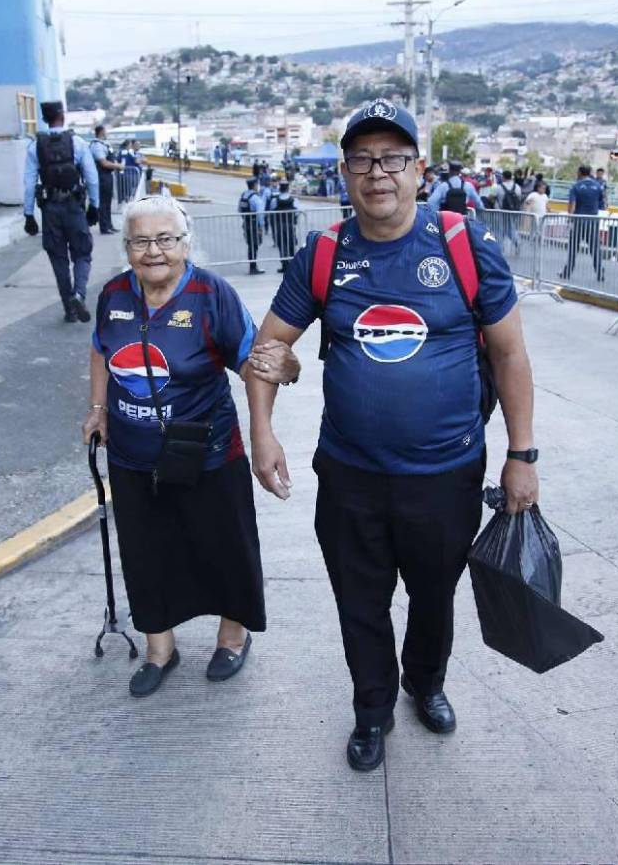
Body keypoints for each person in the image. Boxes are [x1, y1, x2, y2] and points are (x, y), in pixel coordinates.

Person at [246, 100, 539, 773]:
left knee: (434, 598)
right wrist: (262, 430)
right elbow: (268, 349)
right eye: (362, 159)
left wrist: (522, 456)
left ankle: (425, 684)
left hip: (447, 475)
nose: (378, 173)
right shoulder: (323, 254)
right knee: (361, 604)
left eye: (393, 158)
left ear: (419, 171)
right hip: (350, 476)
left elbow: (509, 356)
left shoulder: (464, 245)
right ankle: (371, 709)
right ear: (345, 173)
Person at [83, 195, 301, 697]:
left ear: (185, 243)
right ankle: (160, 647)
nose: (153, 250)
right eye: (140, 241)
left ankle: (232, 636)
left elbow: (251, 361)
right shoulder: (114, 294)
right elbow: (99, 349)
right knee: (145, 552)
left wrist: (269, 405)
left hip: (207, 450)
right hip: (132, 455)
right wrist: (97, 409)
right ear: (127, 248)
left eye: (166, 239)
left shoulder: (210, 294)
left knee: (224, 547)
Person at [23, 101, 100, 324]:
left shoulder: (34, 147)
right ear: (62, 116)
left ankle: (69, 309)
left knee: (58, 259)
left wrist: (28, 215)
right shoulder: (77, 142)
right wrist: (94, 206)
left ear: (45, 118)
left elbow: (29, 183)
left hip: (50, 210)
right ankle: (79, 294)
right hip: (74, 207)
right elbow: (92, 177)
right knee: (82, 253)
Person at [562, 165, 605, 281]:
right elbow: (602, 203)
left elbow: (572, 204)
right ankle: (600, 272)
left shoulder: (576, 186)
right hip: (592, 221)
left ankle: (567, 273)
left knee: (573, 248)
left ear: (580, 173)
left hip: (578, 221)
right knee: (595, 248)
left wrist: (569, 218)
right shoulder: (598, 186)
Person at [89, 125, 124, 236]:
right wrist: (117, 166)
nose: (107, 133)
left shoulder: (104, 144)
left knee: (108, 201)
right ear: (101, 132)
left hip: (107, 175)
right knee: (103, 202)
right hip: (101, 176)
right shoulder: (97, 145)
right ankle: (104, 227)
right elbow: (103, 163)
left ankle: (109, 225)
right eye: (105, 131)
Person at [268, 181, 300, 273]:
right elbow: (297, 212)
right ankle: (292, 265)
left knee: (282, 245)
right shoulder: (294, 200)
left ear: (280, 188)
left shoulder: (275, 200)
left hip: (279, 225)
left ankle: (284, 265)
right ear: (288, 188)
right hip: (290, 225)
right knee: (291, 244)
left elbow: (272, 211)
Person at [239, 178, 265, 275]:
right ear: (254, 185)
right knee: (254, 245)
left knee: (251, 245)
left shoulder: (243, 196)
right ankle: (253, 267)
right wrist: (260, 226)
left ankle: (252, 266)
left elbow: (239, 209)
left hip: (246, 223)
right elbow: (260, 213)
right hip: (254, 224)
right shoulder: (255, 198)